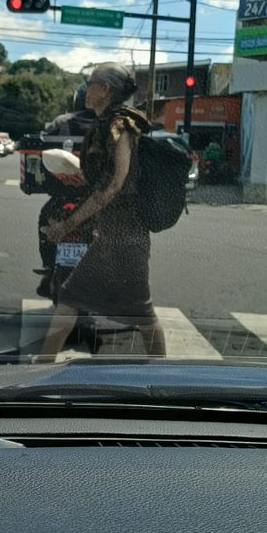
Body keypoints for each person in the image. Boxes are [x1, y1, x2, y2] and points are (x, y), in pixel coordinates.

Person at [38, 62, 166, 360]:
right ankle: (41, 364)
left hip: (127, 240)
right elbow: (102, 180)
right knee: (68, 298)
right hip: (108, 238)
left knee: (143, 314)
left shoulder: (120, 127)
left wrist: (67, 225)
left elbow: (114, 185)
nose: (86, 88)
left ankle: (162, 371)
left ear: (106, 89)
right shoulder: (102, 125)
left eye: (91, 82)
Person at [35, 83, 95, 297]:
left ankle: (49, 268)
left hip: (62, 198)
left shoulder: (60, 122)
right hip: (97, 198)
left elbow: (42, 154)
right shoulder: (109, 125)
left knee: (45, 220)